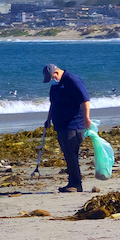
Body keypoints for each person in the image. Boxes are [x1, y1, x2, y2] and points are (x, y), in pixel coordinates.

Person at [43, 64, 91, 193]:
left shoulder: (72, 81)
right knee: (68, 154)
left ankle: (76, 184)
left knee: (71, 155)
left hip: (73, 125)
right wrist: (49, 120)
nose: (53, 80)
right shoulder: (58, 86)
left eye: (53, 77)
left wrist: (86, 119)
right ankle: (73, 182)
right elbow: (53, 104)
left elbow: (85, 100)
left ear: (57, 72)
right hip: (61, 125)